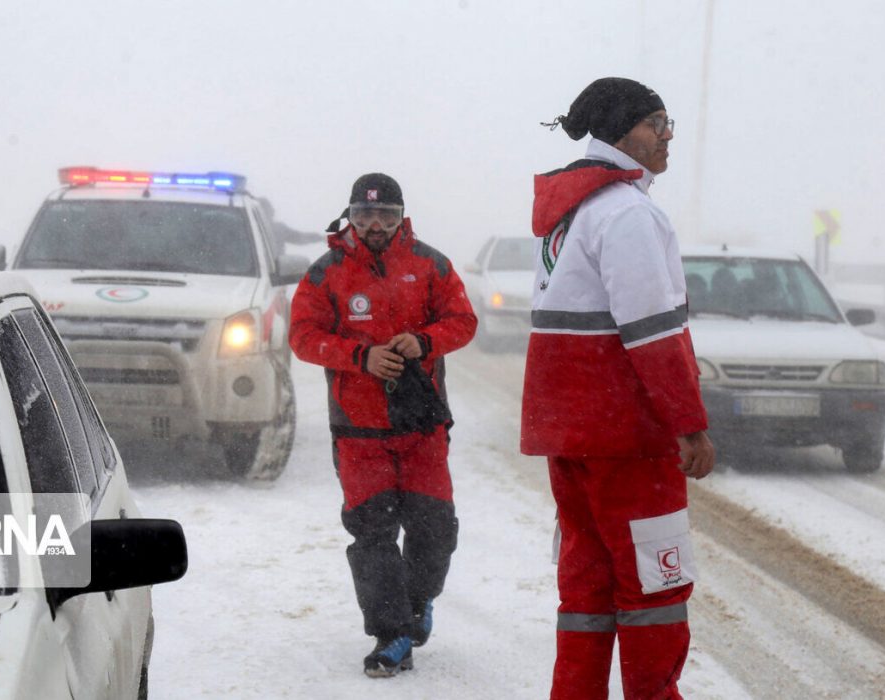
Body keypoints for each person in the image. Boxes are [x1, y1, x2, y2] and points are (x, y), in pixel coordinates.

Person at [521, 77, 715, 699]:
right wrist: (689, 423)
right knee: (654, 590)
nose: (667, 137)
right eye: (659, 123)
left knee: (588, 588)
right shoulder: (627, 212)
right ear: (622, 129)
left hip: (572, 436)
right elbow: (653, 334)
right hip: (627, 439)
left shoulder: (568, 212)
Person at [289, 173, 477, 678]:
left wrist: (425, 340)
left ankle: (418, 603)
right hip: (358, 431)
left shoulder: (431, 264)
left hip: (423, 428)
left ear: (401, 217)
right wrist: (359, 356)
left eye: (387, 216)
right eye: (366, 215)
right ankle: (391, 635)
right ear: (350, 215)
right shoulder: (325, 273)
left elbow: (463, 321)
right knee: (372, 536)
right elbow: (303, 337)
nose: (376, 225)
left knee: (434, 530)